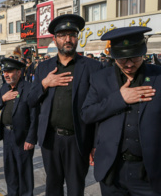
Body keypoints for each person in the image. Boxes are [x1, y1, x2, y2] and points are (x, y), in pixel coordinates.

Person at [81, 26, 161, 195]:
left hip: (149, 172)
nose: (129, 64)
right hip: (112, 170)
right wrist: (119, 99)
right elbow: (87, 114)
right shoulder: (101, 78)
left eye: (135, 57)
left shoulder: (158, 77)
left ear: (144, 52)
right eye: (123, 59)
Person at [28, 14, 102, 196]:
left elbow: (100, 109)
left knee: (76, 188)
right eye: (62, 35)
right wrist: (45, 83)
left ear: (77, 37)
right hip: (50, 139)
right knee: (52, 187)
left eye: (72, 34)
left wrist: (95, 143)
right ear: (55, 39)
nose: (68, 39)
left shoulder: (93, 67)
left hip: (78, 140)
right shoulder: (44, 68)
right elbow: (30, 101)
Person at [0, 58, 39, 196]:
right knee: (10, 168)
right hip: (7, 135)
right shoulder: (4, 88)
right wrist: (3, 99)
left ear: (19, 73)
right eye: (4, 71)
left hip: (23, 136)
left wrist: (31, 139)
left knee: (24, 170)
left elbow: (35, 116)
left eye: (9, 71)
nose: (5, 74)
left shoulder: (29, 88)